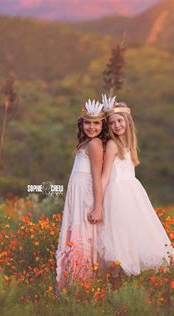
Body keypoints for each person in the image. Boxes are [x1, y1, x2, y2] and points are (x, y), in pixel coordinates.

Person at [96, 95, 174, 276]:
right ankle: (115, 282)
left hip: (132, 193)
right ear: (108, 127)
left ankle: (127, 277)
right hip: (116, 194)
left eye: (120, 121)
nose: (117, 125)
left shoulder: (129, 143)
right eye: (112, 123)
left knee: (134, 234)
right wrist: (97, 203)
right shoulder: (112, 145)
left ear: (127, 121)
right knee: (118, 237)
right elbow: (105, 176)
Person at [56, 99, 107, 288]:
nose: (91, 127)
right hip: (76, 198)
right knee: (76, 233)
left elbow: (96, 177)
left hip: (86, 199)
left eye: (96, 123)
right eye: (88, 122)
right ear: (82, 123)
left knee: (84, 235)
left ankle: (82, 283)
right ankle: (75, 282)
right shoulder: (85, 144)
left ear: (102, 125)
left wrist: (98, 207)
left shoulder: (95, 144)